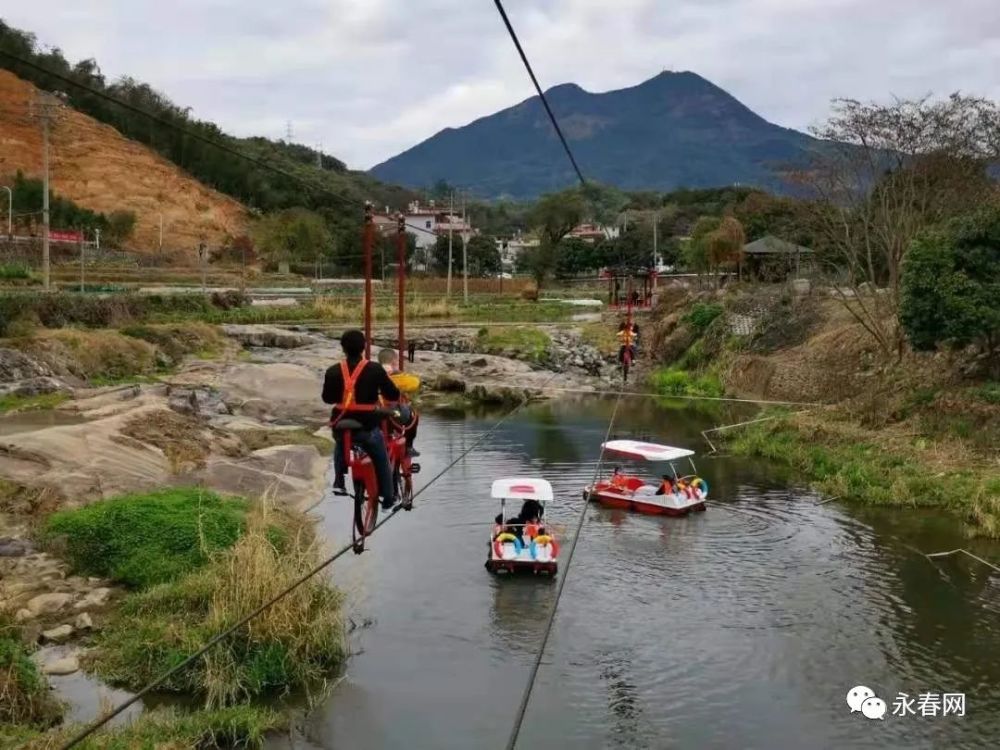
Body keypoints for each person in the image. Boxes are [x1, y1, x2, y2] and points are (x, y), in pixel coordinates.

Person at [322, 330, 400, 509]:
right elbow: (392, 393)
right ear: (364, 347)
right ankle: (388, 497)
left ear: (343, 348)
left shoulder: (333, 371)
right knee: (380, 456)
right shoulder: (374, 369)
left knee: (340, 441)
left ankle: (339, 481)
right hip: (368, 423)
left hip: (340, 423)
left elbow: (327, 398)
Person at [377, 348, 420, 457]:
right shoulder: (397, 377)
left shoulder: (372, 373)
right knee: (413, 415)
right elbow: (415, 383)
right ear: (394, 362)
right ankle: (409, 446)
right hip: (392, 413)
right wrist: (399, 373)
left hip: (373, 413)